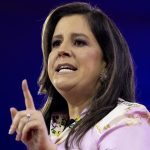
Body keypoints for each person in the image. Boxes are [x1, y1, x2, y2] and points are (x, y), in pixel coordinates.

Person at [9, 2, 150, 150]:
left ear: (107, 64)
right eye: (56, 43)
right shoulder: (53, 130)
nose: (62, 50)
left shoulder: (127, 119)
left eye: (79, 42)